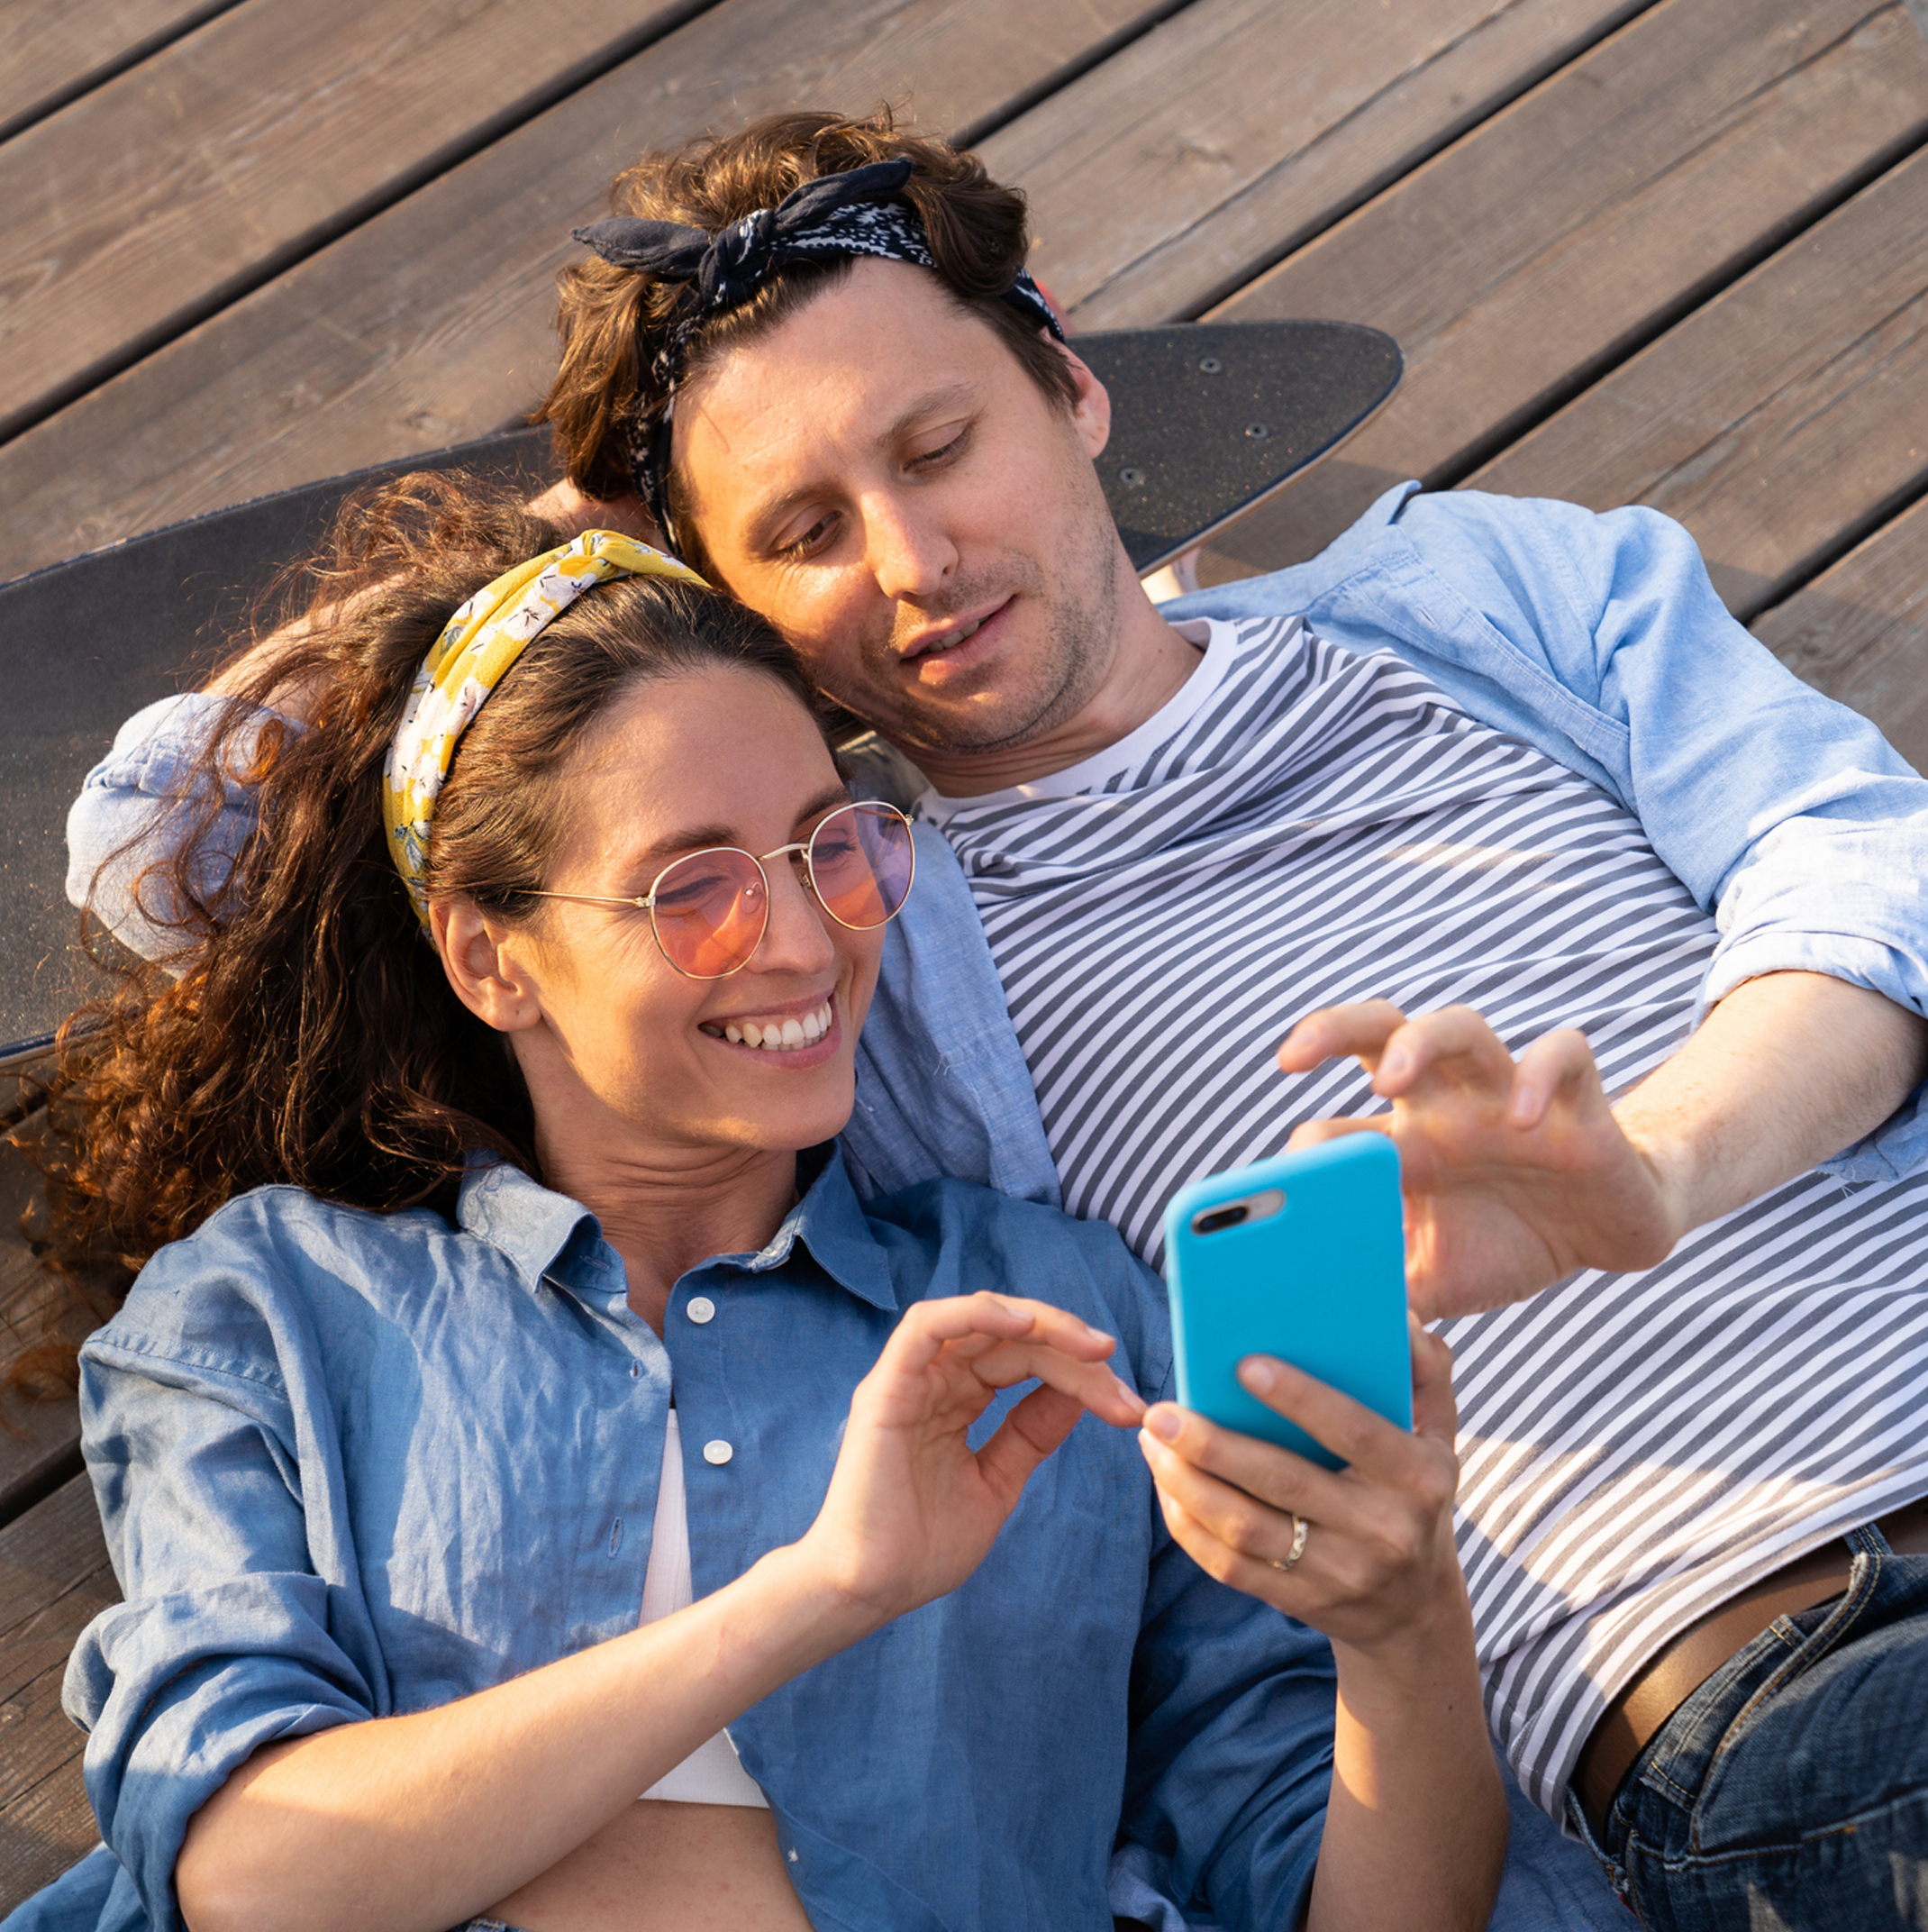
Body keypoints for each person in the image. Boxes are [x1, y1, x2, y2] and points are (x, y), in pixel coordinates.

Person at [66, 109, 1928, 1929]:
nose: (909, 560)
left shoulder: (1487, 590)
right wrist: (571, 558)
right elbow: (164, 835)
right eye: (797, 529)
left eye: (938, 443)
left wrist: (1655, 1172)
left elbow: (1864, 888)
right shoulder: (855, 945)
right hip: (1790, 1662)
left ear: (1070, 379)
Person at [8, 478, 1507, 1932]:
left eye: (828, 847)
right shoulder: (276, 1305)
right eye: (695, 887)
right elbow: (252, 1877)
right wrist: (825, 1590)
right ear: (488, 960)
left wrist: (1403, 1623)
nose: (801, 941)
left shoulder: (1054, 1315)